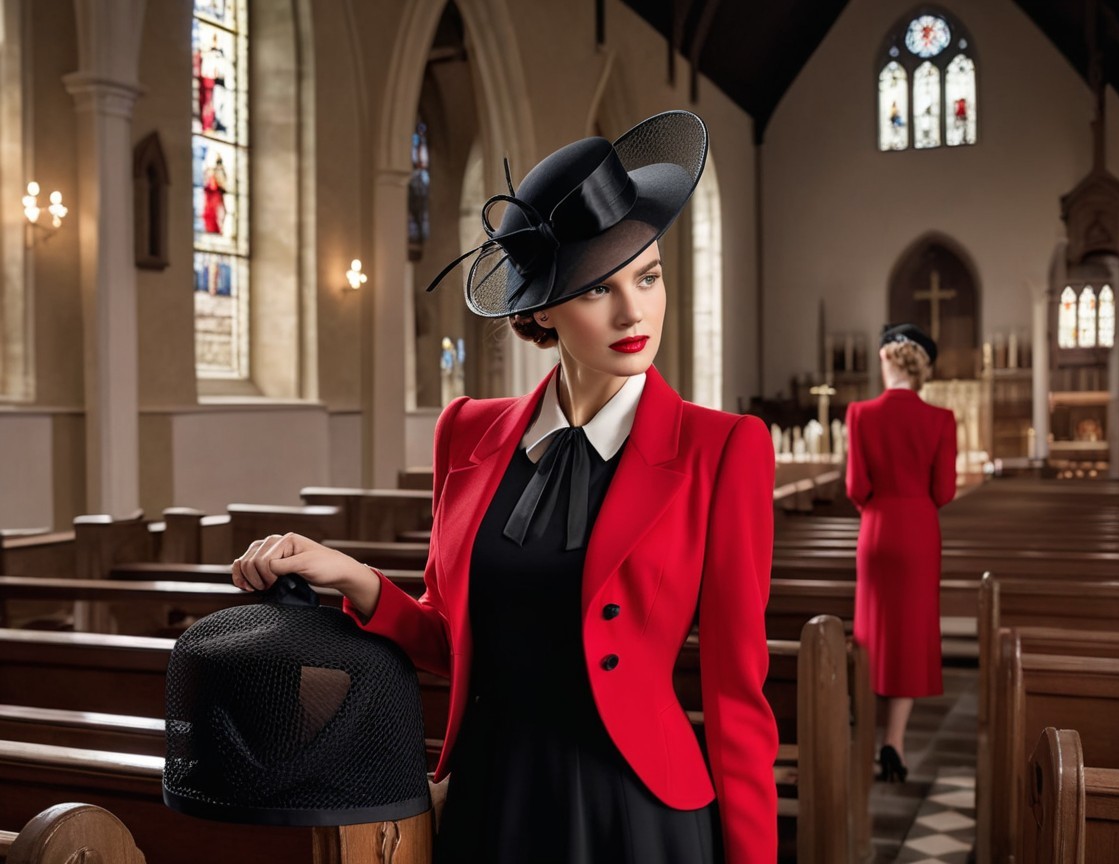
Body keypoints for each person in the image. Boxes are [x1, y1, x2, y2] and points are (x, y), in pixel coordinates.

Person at [233, 110, 778, 863]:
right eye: (597, 289)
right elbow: (457, 645)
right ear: (544, 309)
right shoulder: (465, 431)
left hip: (635, 813)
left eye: (647, 277)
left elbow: (737, 700)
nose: (634, 312)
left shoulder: (724, 452)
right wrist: (352, 578)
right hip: (493, 797)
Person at [845, 323, 957, 783]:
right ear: (922, 368)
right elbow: (945, 491)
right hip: (919, 530)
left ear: (885, 361)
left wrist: (879, 505)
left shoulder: (860, 413)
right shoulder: (941, 419)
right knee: (909, 636)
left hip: (878, 527)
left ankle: (864, 743)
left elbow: (856, 487)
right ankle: (895, 743)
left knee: (872, 634)